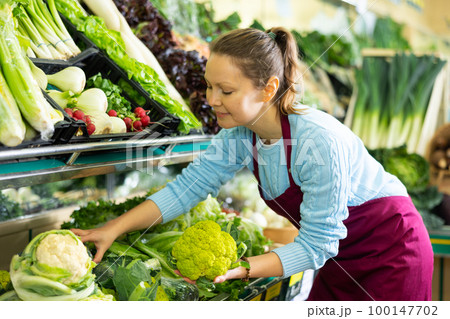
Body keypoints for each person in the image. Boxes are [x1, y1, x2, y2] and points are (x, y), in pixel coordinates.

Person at [72, 27, 433, 301]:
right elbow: (187, 189)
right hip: (339, 260)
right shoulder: (241, 134)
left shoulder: (318, 140)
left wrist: (243, 269)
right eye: (209, 86)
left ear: (267, 89)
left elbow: (318, 245)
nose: (212, 100)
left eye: (226, 91)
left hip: (392, 253)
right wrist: (114, 229)